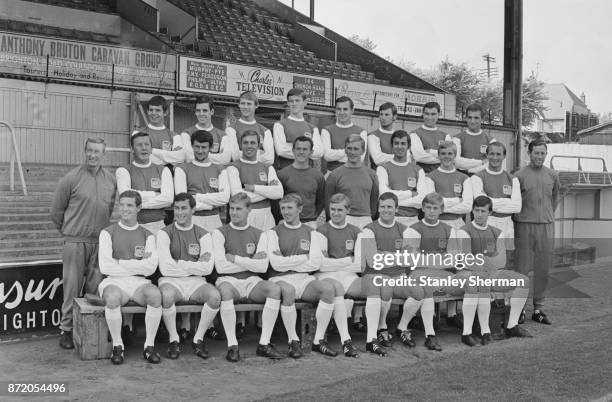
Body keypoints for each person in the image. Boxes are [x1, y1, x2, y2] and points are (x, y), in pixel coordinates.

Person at [267, 193, 353, 357]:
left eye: (290, 208)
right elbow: (276, 264)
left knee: (328, 289)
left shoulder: (313, 233)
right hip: (280, 278)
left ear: (299, 209)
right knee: (289, 291)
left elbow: (315, 263)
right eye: (283, 208)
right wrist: (302, 258)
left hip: (304, 278)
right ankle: (293, 341)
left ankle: (318, 341)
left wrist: (288, 261)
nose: (286, 212)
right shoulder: (272, 233)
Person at [50, 137, 116, 350]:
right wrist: (69, 233)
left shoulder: (110, 180)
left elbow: (111, 207)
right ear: (84, 151)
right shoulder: (70, 179)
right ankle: (66, 330)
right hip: (75, 242)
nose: (93, 155)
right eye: (89, 151)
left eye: (97, 151)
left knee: (95, 290)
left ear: (103, 154)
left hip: (99, 243)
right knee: (71, 288)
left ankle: (90, 331)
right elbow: (56, 212)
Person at [212, 192, 285, 361]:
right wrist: (250, 261)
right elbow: (221, 265)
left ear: (249, 210)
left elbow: (262, 266)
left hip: (252, 280)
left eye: (239, 209)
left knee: (274, 290)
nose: (234, 212)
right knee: (225, 292)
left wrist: (235, 258)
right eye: (231, 208)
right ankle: (232, 345)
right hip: (228, 280)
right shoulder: (219, 233)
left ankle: (264, 344)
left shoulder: (260, 234)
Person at [456, 195, 532, 346]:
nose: (479, 214)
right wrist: (487, 262)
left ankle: (511, 325)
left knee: (523, 281)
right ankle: (469, 332)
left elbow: (501, 261)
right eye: (476, 210)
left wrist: (482, 261)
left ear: (490, 213)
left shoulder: (497, 232)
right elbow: (467, 261)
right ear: (472, 211)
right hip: (467, 273)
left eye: (483, 211)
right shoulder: (464, 231)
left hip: (492, 273)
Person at [315, 193, 386, 356]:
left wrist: (336, 262)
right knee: (336, 287)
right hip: (325, 276)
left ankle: (371, 340)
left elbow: (361, 265)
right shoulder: (320, 231)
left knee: (373, 285)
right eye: (332, 209)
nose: (335, 213)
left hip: (349, 276)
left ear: (348, 210)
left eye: (340, 210)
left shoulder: (357, 231)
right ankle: (345, 342)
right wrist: (348, 259)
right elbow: (320, 264)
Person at [98, 190, 161, 364]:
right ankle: (118, 346)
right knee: (111, 298)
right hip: (114, 281)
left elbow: (150, 268)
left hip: (140, 282)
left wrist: (121, 262)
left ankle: (149, 347)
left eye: (130, 205)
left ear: (139, 208)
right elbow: (105, 266)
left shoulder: (148, 235)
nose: (124, 209)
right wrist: (136, 264)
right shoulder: (107, 233)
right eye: (122, 204)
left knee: (155, 295)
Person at [402, 193, 469, 352]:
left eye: (435, 208)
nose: (431, 211)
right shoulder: (413, 230)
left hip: (443, 274)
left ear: (442, 210)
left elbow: (453, 260)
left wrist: (426, 258)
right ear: (423, 208)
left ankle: (472, 330)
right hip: (418, 274)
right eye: (428, 208)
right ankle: (430, 335)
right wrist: (440, 259)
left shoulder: (449, 230)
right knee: (427, 286)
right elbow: (411, 261)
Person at [157, 193, 221, 360]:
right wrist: (194, 265)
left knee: (214, 297)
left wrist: (178, 263)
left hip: (196, 282)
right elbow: (165, 268)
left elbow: (207, 269)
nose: (179, 212)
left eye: (184, 208)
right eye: (176, 208)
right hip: (171, 281)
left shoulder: (204, 234)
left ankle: (198, 338)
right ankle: (174, 339)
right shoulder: (164, 233)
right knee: (166, 295)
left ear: (193, 209)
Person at [360, 193, 425, 352]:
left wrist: (384, 255)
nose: (385, 210)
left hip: (399, 276)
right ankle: (382, 328)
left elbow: (410, 260)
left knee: (419, 292)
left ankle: (402, 327)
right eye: (382, 206)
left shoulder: (405, 230)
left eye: (389, 206)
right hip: (374, 275)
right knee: (384, 286)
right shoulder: (369, 229)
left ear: (396, 208)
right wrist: (398, 256)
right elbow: (372, 260)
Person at [422, 140, 473, 326]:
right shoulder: (430, 177)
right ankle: (434, 312)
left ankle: (452, 313)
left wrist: (444, 203)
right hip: (437, 225)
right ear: (438, 156)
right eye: (443, 154)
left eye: (450, 154)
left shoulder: (464, 178)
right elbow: (431, 203)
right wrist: (455, 201)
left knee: (457, 265)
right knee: (437, 265)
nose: (446, 157)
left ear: (455, 155)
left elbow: (467, 205)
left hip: (458, 225)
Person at [514, 139, 560, 325]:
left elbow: (554, 199)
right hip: (524, 226)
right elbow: (516, 203)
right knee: (521, 270)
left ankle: (538, 308)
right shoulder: (518, 175)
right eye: (536, 153)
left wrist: (546, 216)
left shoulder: (553, 175)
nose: (539, 157)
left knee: (543, 269)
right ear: (529, 153)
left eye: (542, 153)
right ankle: (520, 309)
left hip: (546, 227)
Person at [116, 132, 173, 234]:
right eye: (139, 145)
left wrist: (137, 205)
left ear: (151, 149)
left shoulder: (163, 170)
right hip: (131, 227)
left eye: (147, 144)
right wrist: (156, 195)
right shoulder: (123, 170)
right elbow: (126, 198)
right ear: (132, 150)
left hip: (158, 227)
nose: (144, 148)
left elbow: (168, 200)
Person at [471, 142, 521, 256]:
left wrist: (490, 201)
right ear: (487, 155)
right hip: (487, 222)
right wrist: (507, 202)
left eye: (498, 154)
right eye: (492, 154)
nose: (495, 157)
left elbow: (517, 207)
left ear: (504, 156)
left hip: (507, 224)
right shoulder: (477, 177)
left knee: (504, 261)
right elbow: (481, 204)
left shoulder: (513, 179)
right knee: (485, 260)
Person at [227, 130, 283, 231]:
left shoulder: (268, 167)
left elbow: (279, 192)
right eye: (245, 143)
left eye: (252, 143)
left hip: (266, 216)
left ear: (258, 145)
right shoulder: (233, 167)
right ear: (240, 145)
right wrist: (268, 191)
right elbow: (238, 197)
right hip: (245, 216)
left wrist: (253, 188)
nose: (249, 146)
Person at [174, 130, 230, 233]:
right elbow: (183, 202)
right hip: (190, 220)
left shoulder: (220, 169)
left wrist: (196, 197)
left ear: (211, 148)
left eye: (204, 147)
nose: (200, 151)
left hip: (214, 220)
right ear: (192, 146)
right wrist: (212, 205)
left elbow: (225, 198)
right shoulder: (182, 168)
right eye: (197, 147)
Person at [325, 134, 379, 230]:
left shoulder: (372, 174)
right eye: (349, 148)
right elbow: (328, 202)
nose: (352, 152)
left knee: (366, 245)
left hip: (366, 220)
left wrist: (371, 218)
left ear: (363, 151)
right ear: (345, 150)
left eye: (356, 149)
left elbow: (374, 201)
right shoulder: (335, 174)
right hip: (343, 219)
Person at [376, 130, 427, 227]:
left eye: (403, 143)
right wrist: (411, 194)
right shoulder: (382, 168)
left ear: (409, 146)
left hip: (412, 220)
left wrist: (392, 203)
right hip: (389, 219)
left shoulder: (418, 170)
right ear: (392, 146)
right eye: (396, 143)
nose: (399, 147)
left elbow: (422, 200)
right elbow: (384, 195)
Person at [278, 136, 325, 229]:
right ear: (293, 150)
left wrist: (312, 216)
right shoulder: (282, 174)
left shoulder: (318, 176)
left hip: (310, 223)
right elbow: (277, 202)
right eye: (298, 149)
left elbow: (320, 201)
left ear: (311, 152)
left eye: (305, 149)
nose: (301, 152)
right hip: (287, 222)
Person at [273, 88, 323, 170]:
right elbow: (281, 151)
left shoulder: (313, 128)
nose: (294, 103)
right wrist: (308, 150)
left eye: (297, 100)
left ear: (305, 102)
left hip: (307, 174)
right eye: (291, 101)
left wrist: (290, 146)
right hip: (286, 173)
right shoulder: (280, 125)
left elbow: (319, 152)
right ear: (288, 103)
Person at [132, 95, 184, 166]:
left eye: (157, 110)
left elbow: (179, 158)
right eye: (151, 110)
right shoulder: (137, 133)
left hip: (166, 175)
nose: (154, 113)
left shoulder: (175, 136)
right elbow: (141, 157)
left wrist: (152, 150)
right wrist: (167, 158)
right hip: (143, 173)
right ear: (147, 111)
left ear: (165, 112)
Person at [181, 95, 233, 166]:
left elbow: (226, 159)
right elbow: (189, 157)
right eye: (198, 111)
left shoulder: (222, 135)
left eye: (205, 110)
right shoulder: (186, 134)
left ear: (212, 112)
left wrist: (198, 155)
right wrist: (216, 157)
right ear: (195, 112)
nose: (201, 114)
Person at [321, 96, 367, 173]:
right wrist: (350, 153)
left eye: (345, 109)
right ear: (335, 110)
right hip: (332, 173)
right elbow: (327, 156)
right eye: (339, 109)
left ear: (352, 110)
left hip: (354, 173)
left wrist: (335, 155)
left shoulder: (361, 132)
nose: (342, 112)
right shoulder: (326, 130)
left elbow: (360, 158)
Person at [227, 91, 274, 166]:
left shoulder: (265, 131)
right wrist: (259, 152)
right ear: (239, 105)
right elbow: (235, 156)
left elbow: (270, 159)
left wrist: (242, 153)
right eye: (242, 103)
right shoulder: (231, 129)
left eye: (249, 104)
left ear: (256, 105)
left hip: (258, 172)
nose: (245, 107)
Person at [452, 103, 498, 175]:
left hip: (483, 180)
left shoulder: (491, 141)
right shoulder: (457, 138)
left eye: (476, 118)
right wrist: (481, 162)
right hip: (462, 180)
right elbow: (457, 162)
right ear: (466, 118)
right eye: (470, 117)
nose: (472, 121)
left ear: (482, 119)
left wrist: (469, 170)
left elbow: (492, 163)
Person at [409, 101, 451, 173]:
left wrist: (431, 151)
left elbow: (451, 156)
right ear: (423, 114)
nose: (429, 117)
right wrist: (443, 157)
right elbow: (419, 157)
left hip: (442, 175)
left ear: (439, 114)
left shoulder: (445, 136)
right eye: (427, 114)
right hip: (423, 175)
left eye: (433, 114)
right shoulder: (414, 134)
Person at [367, 102, 397, 169]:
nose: (383, 117)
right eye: (381, 114)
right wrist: (400, 157)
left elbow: (409, 159)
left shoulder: (400, 136)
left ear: (394, 117)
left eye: (387, 115)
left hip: (397, 175)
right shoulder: (372, 136)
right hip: (378, 176)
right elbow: (378, 159)